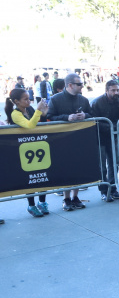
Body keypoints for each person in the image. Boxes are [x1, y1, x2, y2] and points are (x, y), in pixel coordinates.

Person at [47, 73, 92, 211]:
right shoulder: (55, 99)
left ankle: (75, 197)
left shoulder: (83, 100)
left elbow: (92, 114)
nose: (82, 86)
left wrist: (85, 115)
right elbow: (49, 117)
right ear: (70, 85)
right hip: (62, 140)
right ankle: (66, 198)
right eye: (79, 84)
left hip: (80, 139)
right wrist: (67, 117)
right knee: (66, 169)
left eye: (82, 84)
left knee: (79, 167)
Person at [5, 88, 50, 217]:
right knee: (30, 178)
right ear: (16, 102)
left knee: (42, 175)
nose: (28, 101)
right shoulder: (15, 114)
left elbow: (38, 124)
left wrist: (44, 114)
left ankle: (42, 202)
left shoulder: (30, 110)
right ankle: (31, 205)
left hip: (38, 146)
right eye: (25, 99)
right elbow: (30, 125)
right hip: (24, 149)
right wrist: (38, 111)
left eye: (29, 98)